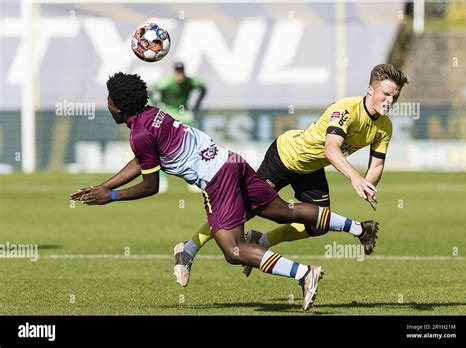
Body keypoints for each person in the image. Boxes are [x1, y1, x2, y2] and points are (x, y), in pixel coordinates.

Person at [69, 72, 377, 311]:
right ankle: (358, 227)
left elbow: (150, 186)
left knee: (234, 251)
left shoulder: (139, 133)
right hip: (232, 161)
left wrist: (109, 197)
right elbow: (143, 161)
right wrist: (104, 185)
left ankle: (303, 273)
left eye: (109, 99)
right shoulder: (152, 114)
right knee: (287, 212)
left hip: (216, 179)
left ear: (119, 106)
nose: (107, 103)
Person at [173, 63, 408, 284]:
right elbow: (331, 147)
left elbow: (376, 164)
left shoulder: (384, 127)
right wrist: (355, 178)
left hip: (311, 168)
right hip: (285, 156)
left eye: (394, 97)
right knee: (241, 210)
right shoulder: (346, 109)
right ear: (370, 89)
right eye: (385, 94)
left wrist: (368, 184)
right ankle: (188, 249)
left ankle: (261, 240)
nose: (389, 101)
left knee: (319, 225)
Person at [148, 62, 207, 192]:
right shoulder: (166, 82)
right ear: (174, 72)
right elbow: (151, 89)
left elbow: (203, 88)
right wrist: (156, 104)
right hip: (168, 115)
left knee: (193, 145)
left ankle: (195, 179)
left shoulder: (191, 82)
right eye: (178, 71)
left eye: (181, 71)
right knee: (162, 147)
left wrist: (197, 103)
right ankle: (161, 179)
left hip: (184, 115)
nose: (180, 75)